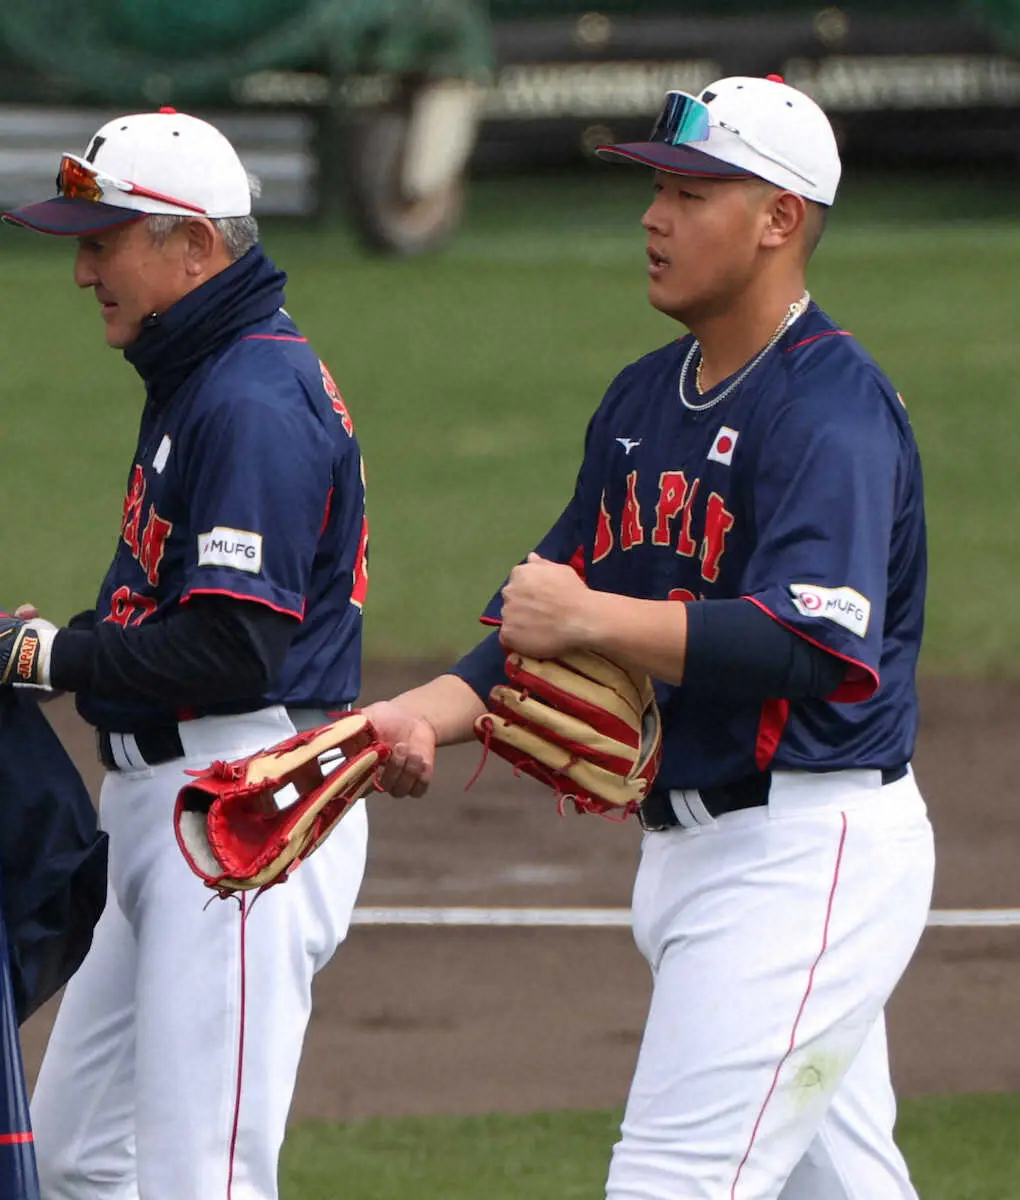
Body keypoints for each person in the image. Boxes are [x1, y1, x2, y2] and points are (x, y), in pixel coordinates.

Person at [363, 76, 935, 1199]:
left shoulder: (831, 411)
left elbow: (811, 643)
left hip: (803, 854)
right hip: (701, 855)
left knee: (670, 1180)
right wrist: (406, 717)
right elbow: (536, 626)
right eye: (656, 189)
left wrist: (593, 618)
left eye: (688, 191)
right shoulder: (641, 403)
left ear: (779, 219)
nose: (652, 217)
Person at [1, 109, 370, 1199]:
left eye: (103, 240)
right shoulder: (205, 376)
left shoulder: (252, 396)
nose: (81, 270)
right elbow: (181, 615)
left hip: (241, 805)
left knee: (199, 1177)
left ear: (194, 246)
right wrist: (65, 641)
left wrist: (53, 659)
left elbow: (235, 649)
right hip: (169, 801)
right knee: (76, 1158)